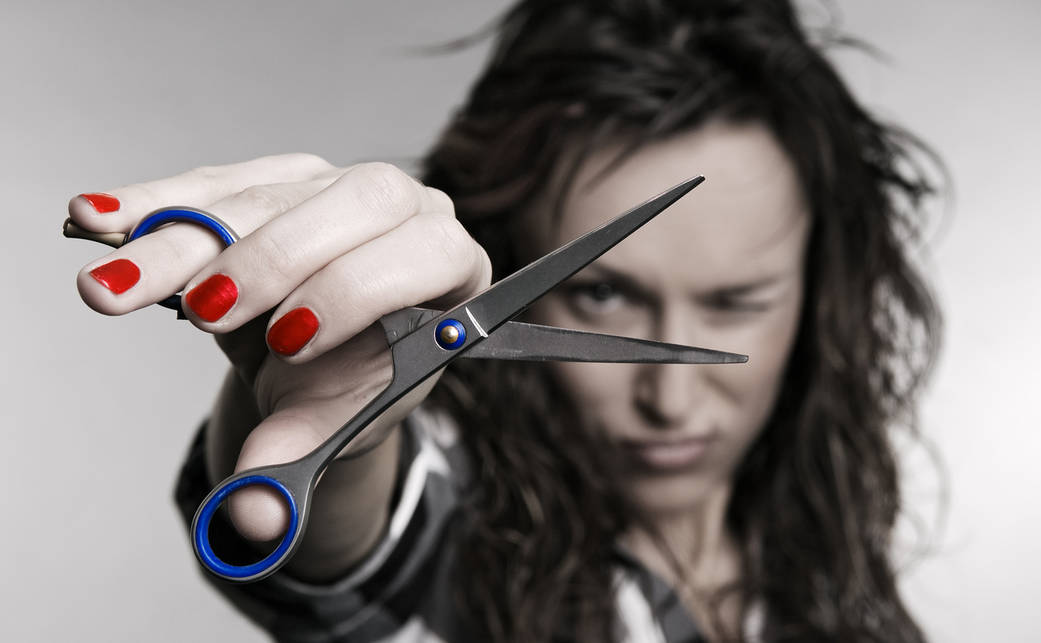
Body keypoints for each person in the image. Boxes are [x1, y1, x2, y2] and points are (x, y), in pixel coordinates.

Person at [69, 1, 941, 641]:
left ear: (821, 294)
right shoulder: (467, 528)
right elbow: (356, 555)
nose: (670, 402)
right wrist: (339, 420)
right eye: (601, 293)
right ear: (516, 258)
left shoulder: (812, 549)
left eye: (737, 302)